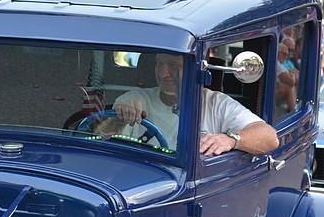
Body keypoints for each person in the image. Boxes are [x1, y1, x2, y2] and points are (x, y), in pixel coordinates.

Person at [104, 53, 278, 157]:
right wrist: (118, 120)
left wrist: (231, 139)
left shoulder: (216, 103)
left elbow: (270, 137)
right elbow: (101, 140)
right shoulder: (134, 99)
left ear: (194, 70)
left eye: (174, 66)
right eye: (160, 63)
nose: (163, 73)